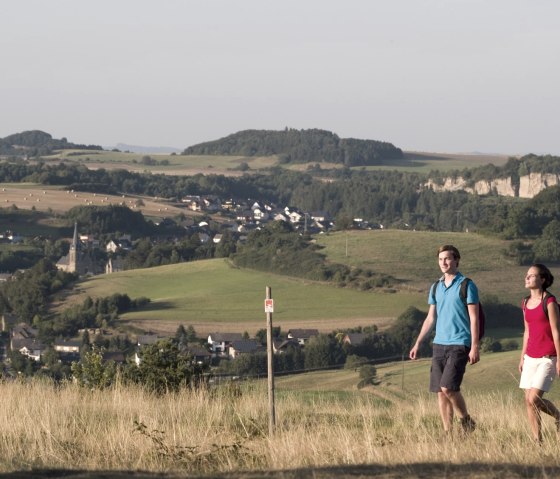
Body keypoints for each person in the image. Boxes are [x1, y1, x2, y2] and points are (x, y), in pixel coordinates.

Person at [409, 244, 480, 433]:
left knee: (448, 387)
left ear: (456, 260)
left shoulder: (467, 285)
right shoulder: (436, 287)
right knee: (440, 393)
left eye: (447, 258)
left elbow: (474, 317)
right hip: (439, 344)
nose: (444, 262)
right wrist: (418, 342)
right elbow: (431, 317)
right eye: (440, 259)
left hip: (460, 343)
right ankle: (448, 432)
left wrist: (474, 346)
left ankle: (466, 420)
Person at [519, 263, 560, 443]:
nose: (527, 278)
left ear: (542, 279)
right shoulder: (525, 302)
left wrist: (559, 359)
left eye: (532, 275)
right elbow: (527, 331)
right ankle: (538, 441)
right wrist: (522, 357)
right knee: (529, 401)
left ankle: (558, 415)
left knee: (533, 399)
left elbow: (556, 331)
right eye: (527, 275)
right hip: (530, 358)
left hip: (547, 358)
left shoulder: (549, 302)